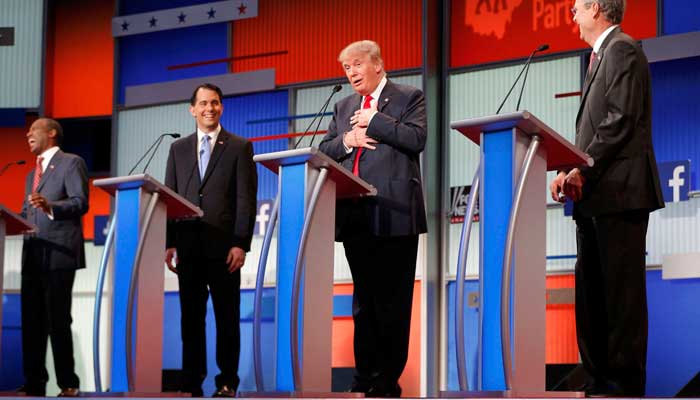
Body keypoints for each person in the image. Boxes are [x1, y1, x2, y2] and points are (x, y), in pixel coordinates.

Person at [549, 1, 664, 396]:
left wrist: (583, 169)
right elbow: (595, 131)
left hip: (619, 194)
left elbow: (619, 119)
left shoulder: (623, 49)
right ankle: (599, 382)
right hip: (594, 197)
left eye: (576, 7)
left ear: (597, 8)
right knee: (593, 297)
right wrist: (568, 171)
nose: (572, 14)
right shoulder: (599, 56)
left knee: (620, 300)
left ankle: (623, 387)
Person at [318, 40, 427, 397]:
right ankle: (363, 378)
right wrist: (349, 138)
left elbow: (416, 139)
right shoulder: (342, 105)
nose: (350, 72)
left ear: (378, 64)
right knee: (364, 302)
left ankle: (386, 380)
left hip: (396, 212)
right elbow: (325, 150)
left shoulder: (409, 96)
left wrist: (375, 121)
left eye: (356, 64)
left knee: (393, 303)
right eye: (346, 67)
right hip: (356, 216)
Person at [164, 83, 257, 397]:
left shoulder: (239, 146)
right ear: (192, 109)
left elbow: (246, 199)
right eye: (203, 103)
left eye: (215, 103)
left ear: (221, 107)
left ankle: (227, 382)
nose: (209, 108)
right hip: (188, 247)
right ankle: (192, 383)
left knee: (227, 319)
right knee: (191, 320)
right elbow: (171, 196)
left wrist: (240, 244)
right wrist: (169, 242)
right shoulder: (177, 149)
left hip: (224, 250)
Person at [19, 118, 88, 397]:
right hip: (33, 254)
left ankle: (68, 384)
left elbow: (80, 202)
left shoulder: (71, 163)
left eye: (33, 130)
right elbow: (26, 214)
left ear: (51, 132)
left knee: (58, 320)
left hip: (59, 252)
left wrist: (50, 206)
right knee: (31, 321)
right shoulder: (29, 175)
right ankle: (34, 382)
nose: (27, 134)